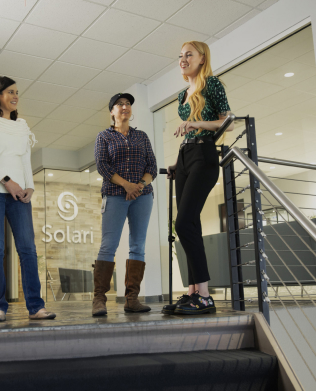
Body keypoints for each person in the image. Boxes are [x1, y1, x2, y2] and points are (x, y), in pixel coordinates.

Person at [0, 76, 56, 322]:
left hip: (19, 193)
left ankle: (36, 307)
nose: (15, 96)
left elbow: (24, 159)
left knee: (28, 249)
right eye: (10, 91)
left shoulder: (22, 126)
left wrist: (29, 186)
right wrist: (8, 181)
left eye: (17, 92)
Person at [162, 41, 234, 316]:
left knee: (183, 222)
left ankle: (205, 296)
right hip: (186, 156)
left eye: (188, 54)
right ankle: (193, 291)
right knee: (189, 224)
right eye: (180, 55)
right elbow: (188, 135)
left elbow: (226, 120)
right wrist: (178, 163)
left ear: (202, 58)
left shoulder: (212, 84)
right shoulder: (183, 95)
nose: (183, 59)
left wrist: (196, 123)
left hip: (205, 153)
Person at [92, 93, 158, 317]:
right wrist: (126, 186)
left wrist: (138, 186)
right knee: (108, 245)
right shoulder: (104, 137)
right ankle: (99, 299)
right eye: (120, 104)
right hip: (114, 194)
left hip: (143, 195)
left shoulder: (142, 136)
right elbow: (103, 166)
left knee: (137, 246)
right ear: (112, 111)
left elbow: (152, 167)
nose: (125, 107)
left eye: (128, 104)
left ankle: (132, 299)